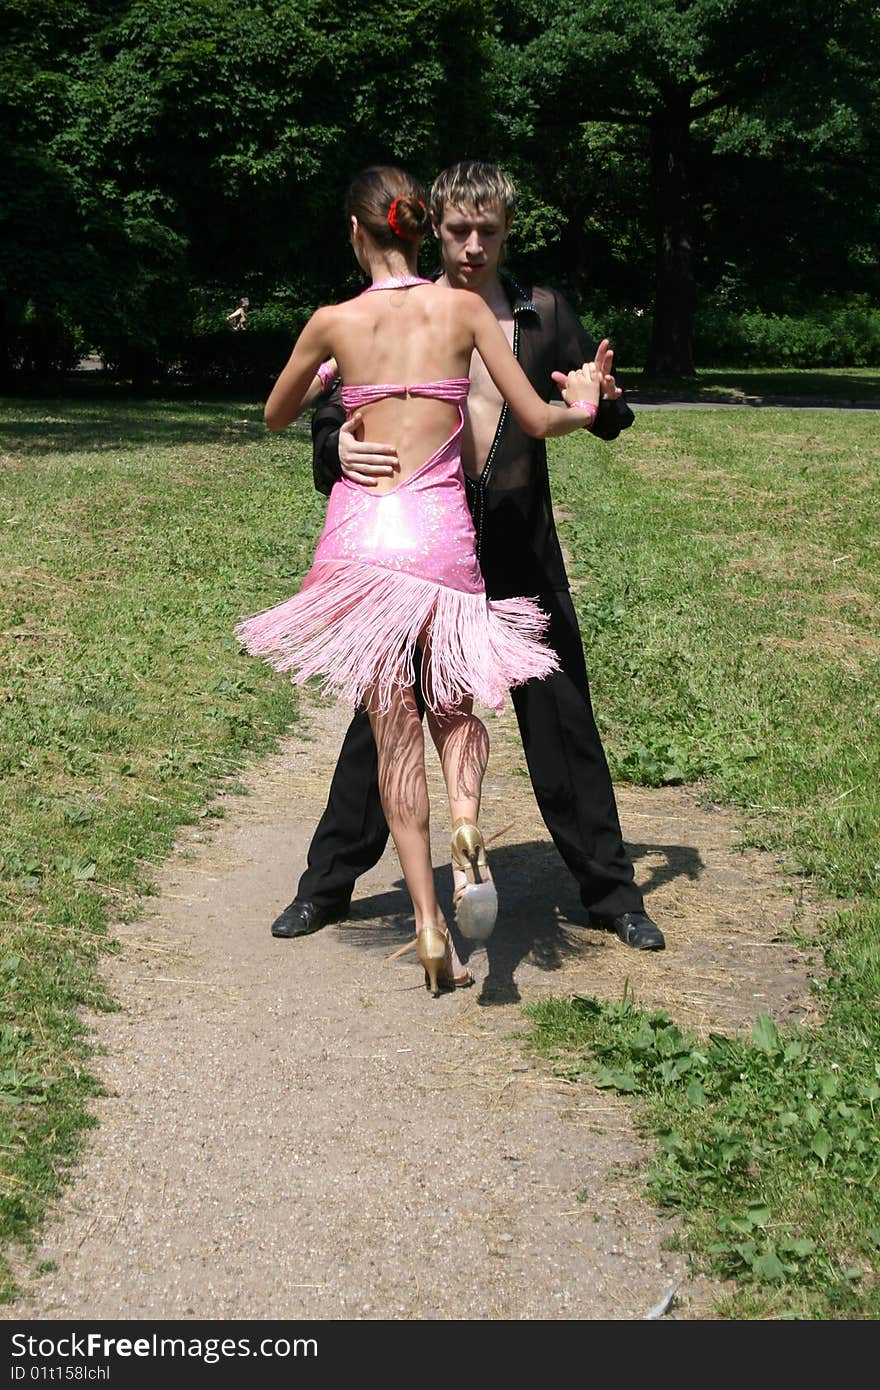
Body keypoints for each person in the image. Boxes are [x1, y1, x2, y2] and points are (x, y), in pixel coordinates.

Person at [274, 160, 665, 955]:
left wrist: (606, 399)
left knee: (561, 713)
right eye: (459, 230)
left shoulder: (542, 313)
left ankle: (612, 894)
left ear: (507, 232)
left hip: (517, 546)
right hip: (431, 545)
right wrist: (338, 448)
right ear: (430, 225)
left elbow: (591, 401)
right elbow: (327, 414)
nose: (474, 245)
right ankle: (327, 885)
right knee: (382, 718)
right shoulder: (405, 314)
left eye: (489, 231)